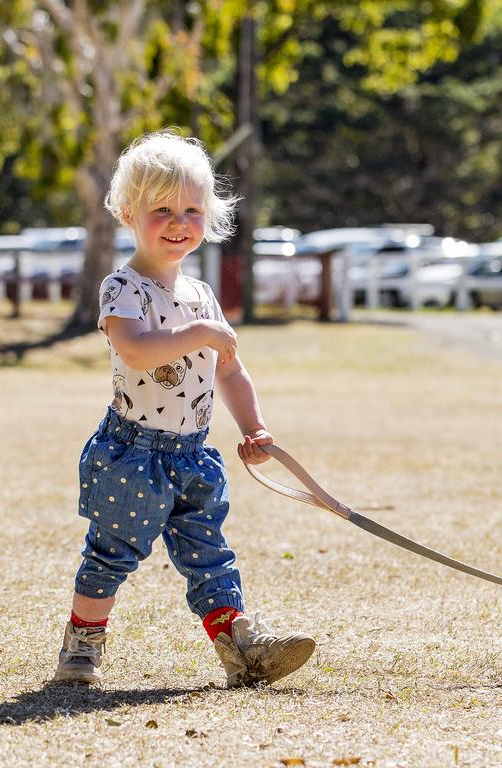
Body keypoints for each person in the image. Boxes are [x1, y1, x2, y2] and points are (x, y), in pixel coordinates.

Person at [54, 131, 315, 687]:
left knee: (210, 552)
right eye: (162, 209)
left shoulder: (202, 295)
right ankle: (82, 643)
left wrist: (254, 426)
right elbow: (136, 349)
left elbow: (230, 369)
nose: (178, 222)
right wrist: (197, 332)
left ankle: (242, 647)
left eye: (192, 210)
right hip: (132, 453)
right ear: (129, 213)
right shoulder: (123, 288)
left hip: (193, 454)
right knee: (112, 552)